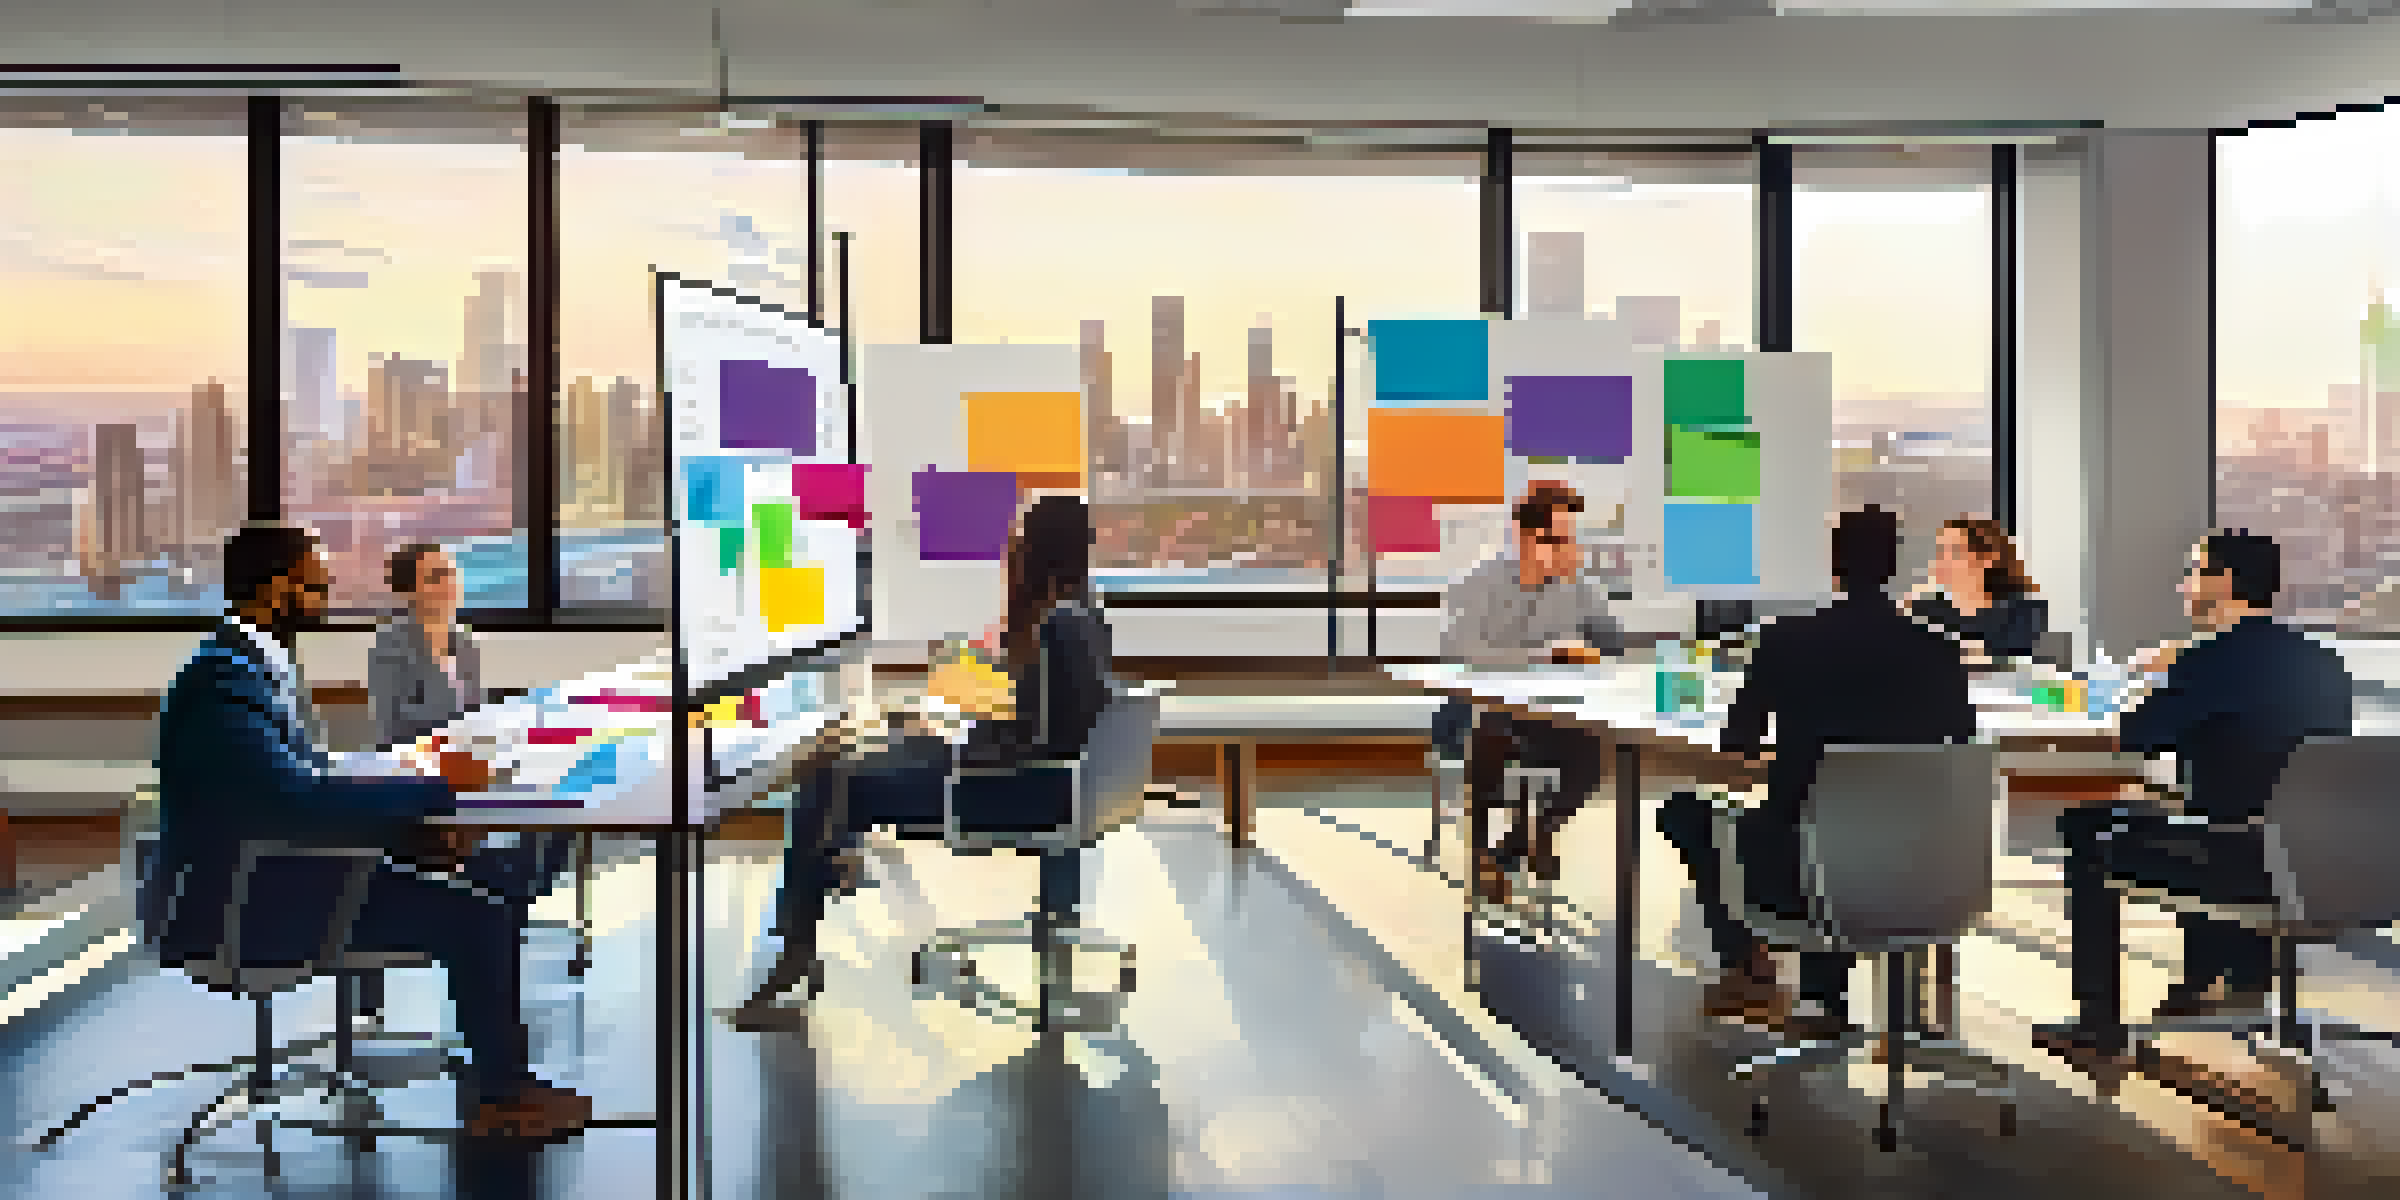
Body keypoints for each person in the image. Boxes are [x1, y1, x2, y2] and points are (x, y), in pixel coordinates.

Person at [152, 525, 591, 1140]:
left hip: (280, 869)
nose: (326, 589)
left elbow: (293, 794)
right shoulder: (225, 681)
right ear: (279, 588)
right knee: (477, 912)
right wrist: (442, 791)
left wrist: (408, 837)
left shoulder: (252, 663)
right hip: (243, 902)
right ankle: (501, 1096)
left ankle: (495, 1070)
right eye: (315, 577)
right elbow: (291, 801)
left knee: (487, 877)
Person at [740, 496, 1117, 1020]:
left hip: (1006, 790)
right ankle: (836, 860)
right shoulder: (1086, 618)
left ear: (1037, 551)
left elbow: (1023, 740)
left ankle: (798, 942)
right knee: (864, 755)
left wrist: (953, 738)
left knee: (832, 775)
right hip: (1052, 786)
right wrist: (964, 715)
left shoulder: (1056, 626)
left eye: (1019, 541)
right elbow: (1040, 721)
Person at [2036, 531, 2354, 1068]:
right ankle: (2231, 979)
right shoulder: (2325, 663)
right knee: (2200, 809)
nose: (2184, 587)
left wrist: (2163, 674)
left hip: (2246, 863)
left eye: (2194, 572)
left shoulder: (2210, 660)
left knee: (2089, 825)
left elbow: (2133, 736)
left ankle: (2097, 1027)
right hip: (2332, 862)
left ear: (2223, 583)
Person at [1657, 506, 1977, 1039]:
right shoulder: (1939, 649)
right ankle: (1833, 999)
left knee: (1688, 812)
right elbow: (1960, 745)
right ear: (1893, 567)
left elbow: (1739, 742)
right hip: (1917, 867)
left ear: (1834, 568)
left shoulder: (1785, 639)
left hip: (1798, 868)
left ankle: (1749, 965)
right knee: (1840, 820)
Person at [1436, 482, 1625, 897]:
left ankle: (1516, 846)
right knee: (1489, 732)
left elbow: (1613, 643)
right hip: (1472, 708)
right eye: (1556, 539)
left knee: (1596, 750)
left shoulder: (1578, 586)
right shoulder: (1479, 580)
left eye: (1570, 539)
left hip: (1545, 712)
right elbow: (1460, 652)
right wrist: (1543, 655)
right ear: (1525, 537)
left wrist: (1592, 645)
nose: (1565, 549)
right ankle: (1482, 853)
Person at [370, 543, 574, 914]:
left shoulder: (463, 640)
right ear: (409, 592)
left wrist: (501, 725)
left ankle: (522, 887)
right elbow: (394, 724)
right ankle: (495, 895)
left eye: (450, 573)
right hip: (422, 769)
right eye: (435, 577)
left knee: (559, 788)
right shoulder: (391, 641)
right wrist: (464, 721)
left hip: (469, 756)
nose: (449, 584)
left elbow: (469, 712)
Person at [1903, 516, 2049, 664]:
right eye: (1940, 551)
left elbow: (2019, 667)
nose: (1942, 561)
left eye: (1955, 552)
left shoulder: (2025, 613)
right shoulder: (1925, 611)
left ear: (1987, 558)